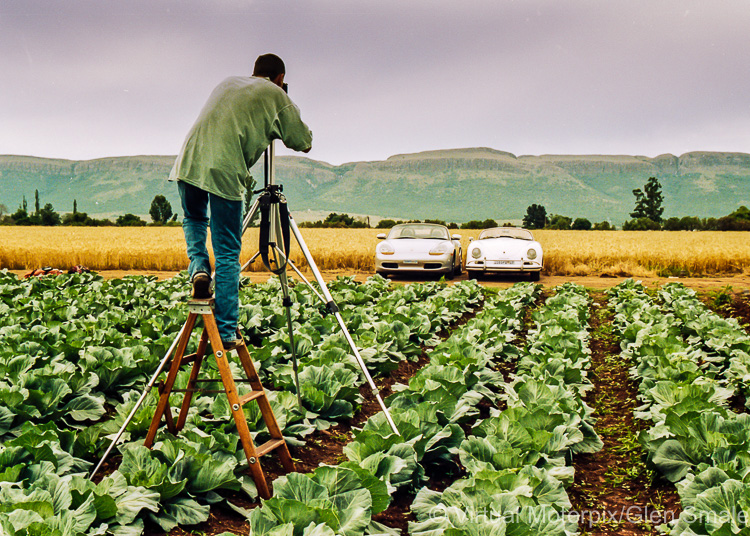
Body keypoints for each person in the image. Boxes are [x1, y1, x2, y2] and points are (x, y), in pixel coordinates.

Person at [170, 53, 312, 348]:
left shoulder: (228, 82)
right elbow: (303, 141)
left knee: (195, 218)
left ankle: (198, 269)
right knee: (226, 251)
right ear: (280, 78)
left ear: (254, 72)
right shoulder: (275, 94)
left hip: (187, 162)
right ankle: (224, 331)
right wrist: (284, 103)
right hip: (224, 170)